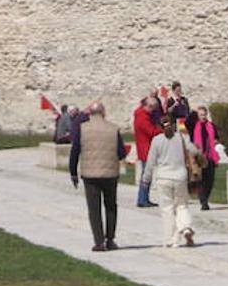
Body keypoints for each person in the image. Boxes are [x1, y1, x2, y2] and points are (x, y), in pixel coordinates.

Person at [69, 101, 127, 252]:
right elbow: (121, 153)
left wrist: (73, 172)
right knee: (111, 207)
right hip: (110, 174)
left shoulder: (83, 129)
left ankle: (99, 241)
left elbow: (75, 150)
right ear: (104, 113)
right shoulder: (113, 129)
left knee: (94, 209)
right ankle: (110, 239)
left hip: (90, 174)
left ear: (90, 113)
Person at [144, 114, 199, 247]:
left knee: (167, 209)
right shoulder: (181, 138)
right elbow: (194, 150)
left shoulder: (157, 140)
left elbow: (151, 161)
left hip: (163, 177)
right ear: (174, 125)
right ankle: (186, 227)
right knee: (181, 205)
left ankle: (171, 239)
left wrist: (146, 179)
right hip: (180, 176)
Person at [132, 96, 161, 208]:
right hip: (146, 149)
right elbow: (151, 131)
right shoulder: (142, 117)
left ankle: (144, 198)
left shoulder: (144, 115)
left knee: (146, 175)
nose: (153, 110)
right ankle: (142, 199)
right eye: (152, 107)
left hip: (146, 147)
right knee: (146, 175)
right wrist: (162, 130)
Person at [192, 105, 221, 210]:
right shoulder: (194, 127)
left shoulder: (211, 126)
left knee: (210, 179)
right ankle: (203, 201)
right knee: (200, 179)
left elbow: (217, 138)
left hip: (210, 156)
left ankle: (205, 198)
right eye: (200, 115)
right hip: (199, 156)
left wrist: (214, 142)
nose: (203, 117)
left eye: (204, 115)